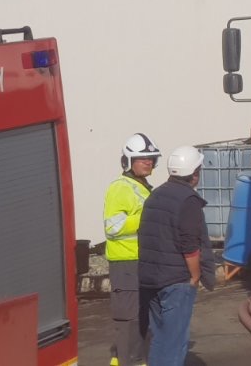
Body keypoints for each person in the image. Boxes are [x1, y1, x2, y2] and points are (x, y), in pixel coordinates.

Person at [138, 146, 215, 366]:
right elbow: (189, 244)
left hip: (150, 279)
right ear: (194, 173)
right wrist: (195, 276)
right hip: (175, 281)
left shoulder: (156, 195)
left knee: (159, 338)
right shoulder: (188, 200)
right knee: (174, 342)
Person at [105, 133, 162, 366]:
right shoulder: (120, 188)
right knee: (128, 319)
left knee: (142, 316)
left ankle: (137, 361)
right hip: (126, 263)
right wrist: (146, 219)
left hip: (142, 262)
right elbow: (113, 226)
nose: (148, 162)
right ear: (128, 161)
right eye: (142, 158)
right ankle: (125, 361)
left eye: (151, 158)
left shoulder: (144, 188)